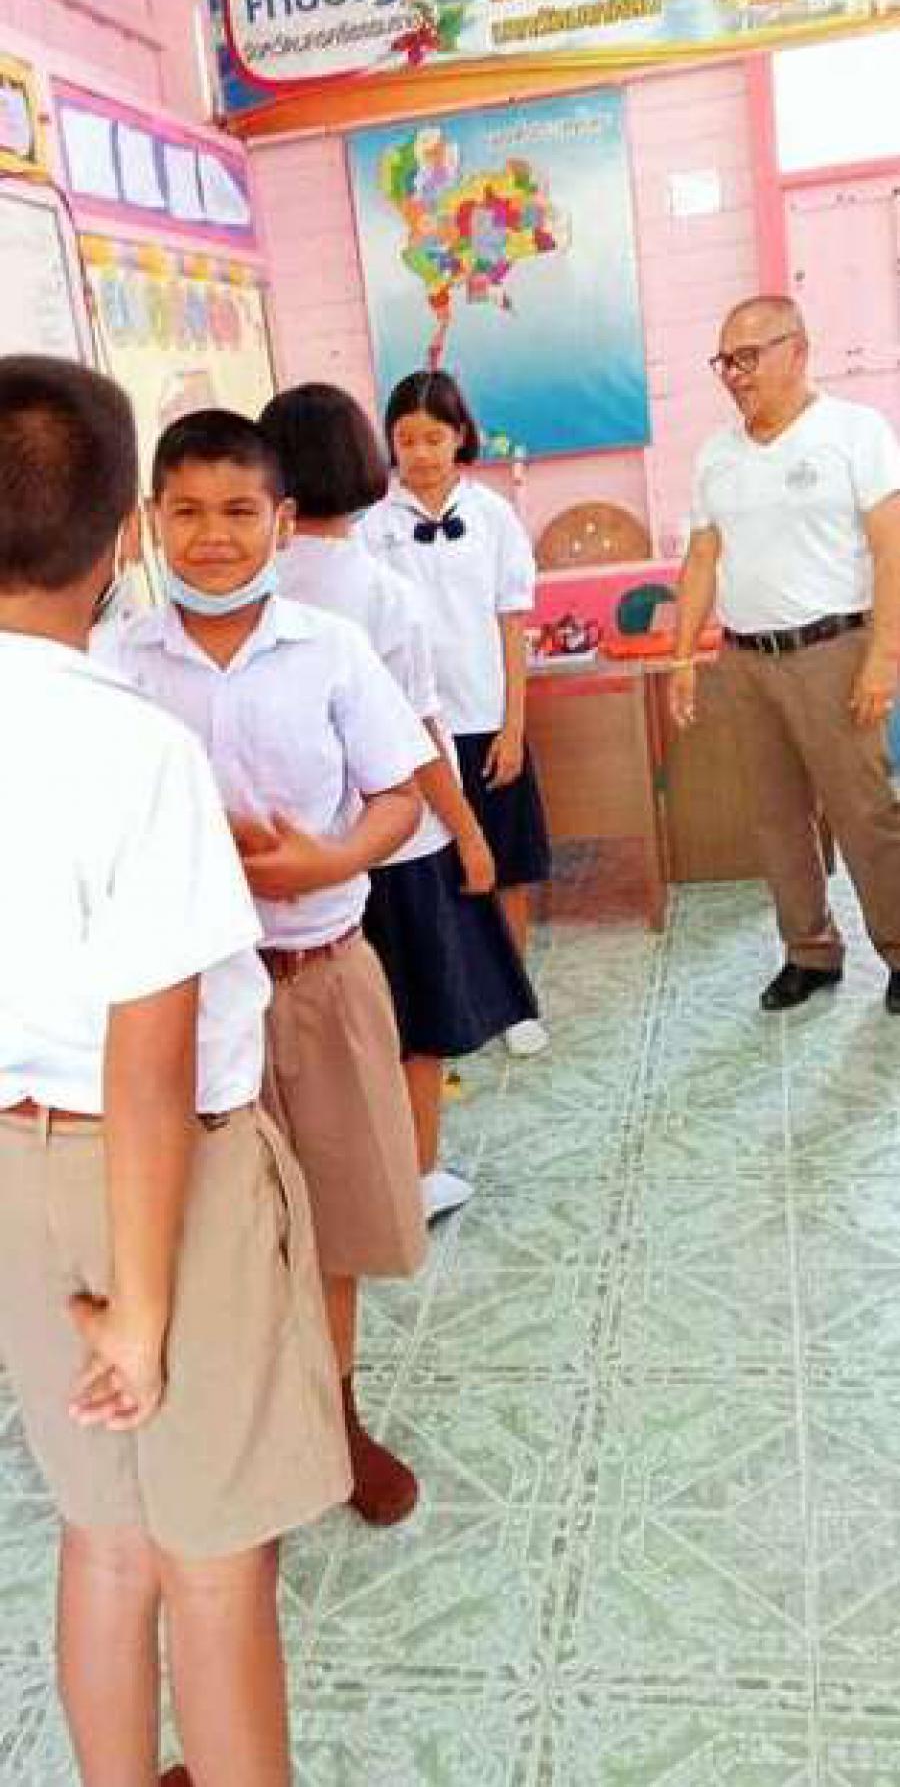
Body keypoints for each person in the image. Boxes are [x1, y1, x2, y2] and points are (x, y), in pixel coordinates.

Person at [0, 357, 350, 1787]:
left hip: (17, 1167)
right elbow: (150, 1062)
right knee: (213, 1565)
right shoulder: (133, 747)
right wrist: (141, 1312)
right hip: (166, 1186)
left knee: (102, 1536)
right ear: (126, 536)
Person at [97, 409, 432, 1528]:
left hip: (319, 973)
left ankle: (339, 1417)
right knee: (210, 1233)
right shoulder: (116, 664)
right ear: (149, 521)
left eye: (239, 511)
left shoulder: (329, 647)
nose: (213, 536)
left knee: (335, 1219)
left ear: (283, 522)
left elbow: (398, 795)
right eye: (187, 511)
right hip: (181, 1005)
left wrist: (328, 858)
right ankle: (240, 1436)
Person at [259, 382, 540, 1224]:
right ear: (364, 461)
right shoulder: (382, 592)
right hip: (401, 844)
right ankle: (413, 1177)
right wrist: (469, 834)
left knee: (328, 1030)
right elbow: (417, 736)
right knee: (418, 1019)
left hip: (295, 849)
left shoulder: (257, 586)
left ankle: (321, 1186)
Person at [670, 294, 900, 1012]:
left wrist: (884, 656)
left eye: (749, 356)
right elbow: (702, 559)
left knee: (864, 812)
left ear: (797, 351)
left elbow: (892, 548)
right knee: (776, 818)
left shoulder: (854, 432)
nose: (735, 374)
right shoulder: (717, 455)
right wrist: (683, 657)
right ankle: (809, 952)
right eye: (725, 361)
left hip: (834, 652)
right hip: (745, 660)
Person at [362, 369, 552, 1058]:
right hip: (412, 734)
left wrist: (513, 726)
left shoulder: (494, 515)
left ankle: (515, 1002)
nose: (419, 453)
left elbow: (511, 623)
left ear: (460, 437)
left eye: (433, 438)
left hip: (486, 719)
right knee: (433, 872)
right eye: (406, 439)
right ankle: (449, 1004)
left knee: (507, 863)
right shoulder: (370, 528)